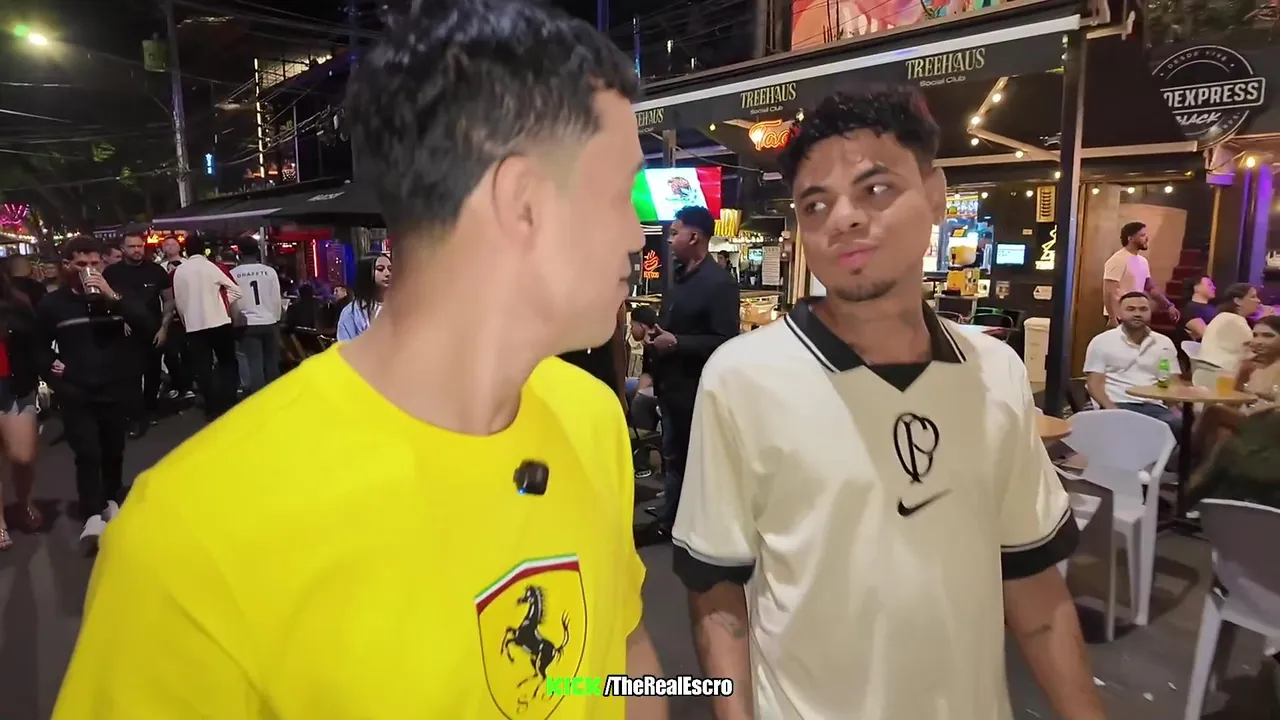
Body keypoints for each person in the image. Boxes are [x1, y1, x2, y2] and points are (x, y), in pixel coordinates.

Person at [53, 2, 663, 719]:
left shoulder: (589, 416)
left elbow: (619, 654)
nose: (638, 233)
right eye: (618, 193)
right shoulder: (192, 539)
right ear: (523, 201)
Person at [672, 86, 1100, 720]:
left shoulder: (995, 372)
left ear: (935, 194)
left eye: (875, 189)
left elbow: (1032, 580)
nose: (843, 218)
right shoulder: (742, 379)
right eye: (816, 204)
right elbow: (716, 590)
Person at [35, 237, 154, 552]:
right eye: (81, 264)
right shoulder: (53, 304)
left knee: (113, 450)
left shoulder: (118, 295)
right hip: (77, 391)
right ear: (67, 266)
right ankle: (92, 513)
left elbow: (146, 324)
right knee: (87, 453)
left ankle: (110, 501)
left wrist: (112, 296)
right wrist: (53, 371)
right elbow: (37, 345)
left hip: (115, 386)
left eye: (94, 263)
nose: (89, 269)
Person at [650, 204, 739, 533]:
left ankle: (681, 524)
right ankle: (671, 515)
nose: (669, 239)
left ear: (694, 237)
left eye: (675, 233)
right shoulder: (678, 276)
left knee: (691, 458)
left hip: (695, 390)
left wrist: (677, 343)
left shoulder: (719, 283)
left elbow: (725, 340)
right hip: (669, 386)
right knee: (673, 455)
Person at [104, 233, 174, 438]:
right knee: (130, 377)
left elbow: (169, 301)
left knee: (153, 374)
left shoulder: (156, 270)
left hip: (153, 330)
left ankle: (151, 409)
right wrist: (119, 319)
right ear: (123, 249)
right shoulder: (112, 273)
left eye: (139, 246)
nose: (136, 250)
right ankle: (135, 417)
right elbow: (104, 300)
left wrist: (164, 328)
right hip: (125, 333)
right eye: (132, 246)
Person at [1084, 291, 1181, 433]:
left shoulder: (1164, 343)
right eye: (1131, 309)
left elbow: (1173, 382)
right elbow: (1094, 384)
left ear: (1150, 312)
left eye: (1143, 309)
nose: (1137, 314)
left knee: (1181, 428)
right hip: (1118, 403)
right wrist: (1111, 409)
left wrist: (1176, 407)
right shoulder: (1101, 341)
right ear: (1119, 313)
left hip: (1154, 406)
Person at [171, 234, 243, 420]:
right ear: (204, 249)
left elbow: (178, 301)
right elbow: (236, 290)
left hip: (193, 325)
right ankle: (229, 399)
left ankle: (212, 405)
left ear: (185, 250)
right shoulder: (213, 267)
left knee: (202, 366)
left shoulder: (178, 272)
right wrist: (221, 303)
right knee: (227, 362)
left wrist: (186, 319)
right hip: (219, 321)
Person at [0, 268, 43, 551]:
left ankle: (24, 500)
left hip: (14, 385)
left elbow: (34, 344)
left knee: (23, 456)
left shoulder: (17, 303)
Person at [230, 242, 283, 394]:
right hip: (269, 321)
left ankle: (259, 399)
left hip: (248, 324)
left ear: (239, 254)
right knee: (272, 364)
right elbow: (276, 298)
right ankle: (276, 396)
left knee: (254, 365)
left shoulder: (233, 274)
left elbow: (233, 300)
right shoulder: (269, 271)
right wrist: (276, 319)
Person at [1103, 221, 1178, 322]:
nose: (1146, 238)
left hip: (1136, 314)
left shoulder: (1143, 261)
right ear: (1130, 238)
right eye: (1142, 235)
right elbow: (1109, 291)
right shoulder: (1117, 260)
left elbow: (1151, 288)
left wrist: (1168, 305)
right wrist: (1112, 317)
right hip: (1120, 316)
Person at [1194, 282, 1261, 388]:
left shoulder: (1224, 317)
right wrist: (1267, 321)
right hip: (1220, 377)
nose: (1258, 301)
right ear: (1238, 301)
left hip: (1207, 374)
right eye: (1253, 297)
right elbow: (1256, 350)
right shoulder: (1234, 320)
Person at [335, 253, 390, 341]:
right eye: (380, 269)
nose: (387, 273)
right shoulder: (351, 313)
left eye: (390, 269)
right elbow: (345, 345)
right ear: (366, 273)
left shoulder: (399, 307)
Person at [1179, 275, 1217, 342]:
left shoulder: (1214, 308)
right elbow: (1206, 334)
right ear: (1196, 288)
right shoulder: (1190, 309)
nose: (1214, 287)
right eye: (1209, 285)